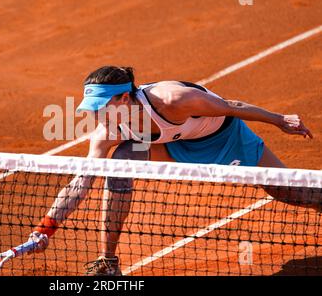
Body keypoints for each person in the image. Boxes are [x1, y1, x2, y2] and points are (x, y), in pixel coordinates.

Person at [27, 66, 316, 276]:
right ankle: (108, 261)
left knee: (293, 192)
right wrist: (45, 229)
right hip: (172, 146)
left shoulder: (174, 100)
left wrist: (280, 120)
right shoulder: (107, 132)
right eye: (91, 108)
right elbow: (82, 181)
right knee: (122, 160)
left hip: (225, 139)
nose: (95, 114)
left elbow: (232, 107)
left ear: (124, 99)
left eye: (101, 106)